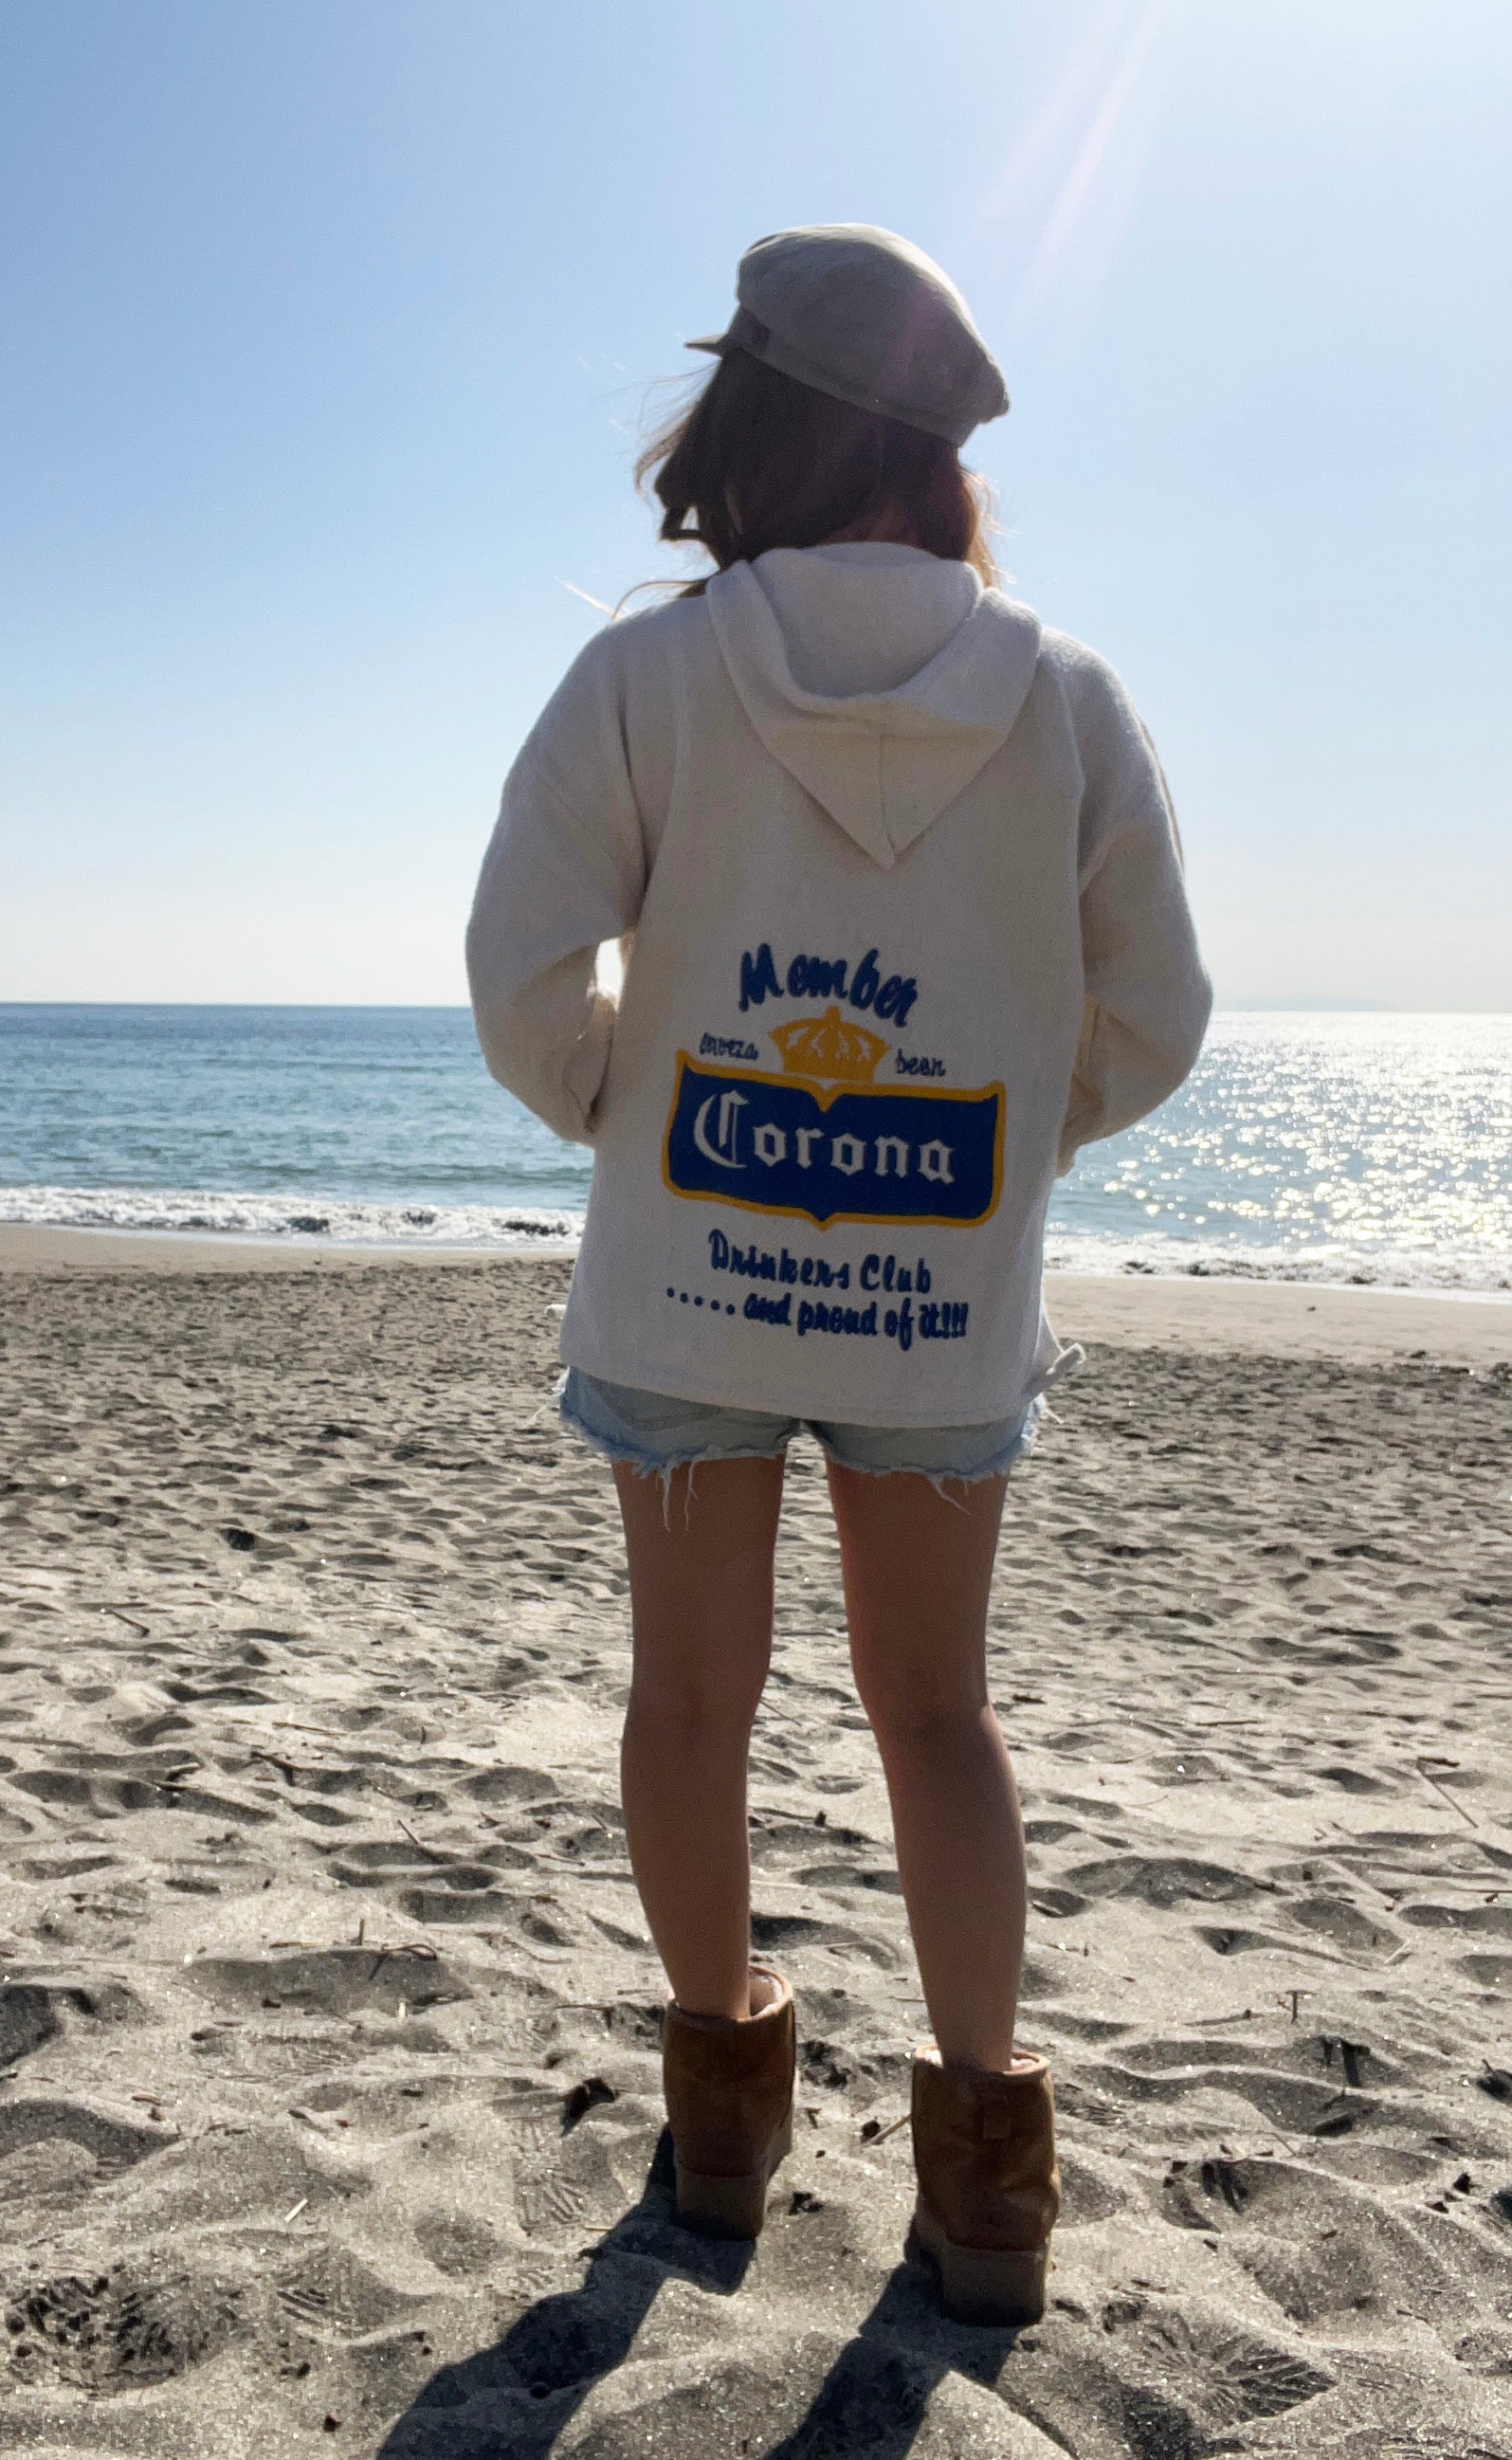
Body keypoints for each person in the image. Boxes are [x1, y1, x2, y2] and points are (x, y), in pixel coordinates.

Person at [466, 225, 1210, 2326]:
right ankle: (986, 2184)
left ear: (753, 427)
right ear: (939, 449)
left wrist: (628, 1114)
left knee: (688, 1700)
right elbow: (1157, 1014)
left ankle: (720, 2123)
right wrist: (1003, 1154)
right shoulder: (1064, 696)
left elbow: (519, 972)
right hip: (937, 1308)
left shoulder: (647, 677)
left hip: (683, 1287)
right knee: (940, 1714)